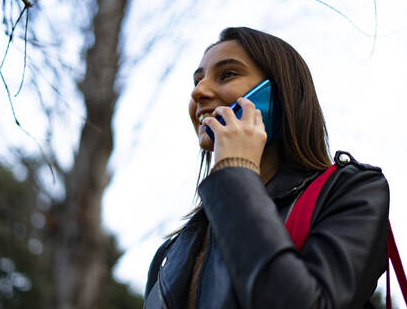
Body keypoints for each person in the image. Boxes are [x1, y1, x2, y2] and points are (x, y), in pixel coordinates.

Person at [143, 27, 390, 309]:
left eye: (226, 74)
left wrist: (234, 172)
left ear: (278, 95)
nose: (198, 91)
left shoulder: (353, 191)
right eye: (197, 80)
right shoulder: (170, 252)